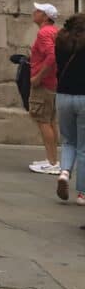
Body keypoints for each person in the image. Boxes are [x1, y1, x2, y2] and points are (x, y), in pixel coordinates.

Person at [53, 14, 85, 206]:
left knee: (68, 140)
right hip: (84, 97)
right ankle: (82, 193)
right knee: (83, 147)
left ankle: (64, 172)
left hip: (63, 95)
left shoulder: (61, 42)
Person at [27, 2, 60, 175]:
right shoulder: (55, 32)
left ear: (45, 16)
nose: (34, 12)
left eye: (38, 10)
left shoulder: (44, 33)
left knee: (43, 121)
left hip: (43, 84)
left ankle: (53, 162)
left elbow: (51, 56)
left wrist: (38, 77)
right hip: (52, 83)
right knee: (50, 120)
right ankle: (52, 159)